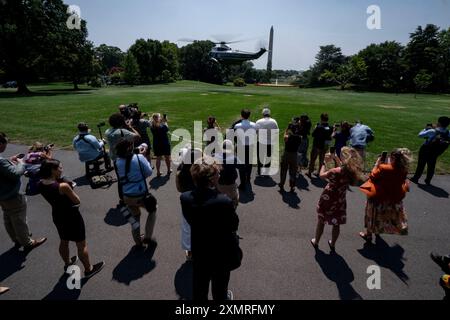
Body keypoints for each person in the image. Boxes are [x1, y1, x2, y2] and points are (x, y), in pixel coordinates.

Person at [180, 158, 239, 301]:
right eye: (217, 173)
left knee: (200, 287)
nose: (219, 175)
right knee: (220, 288)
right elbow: (234, 224)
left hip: (200, 249)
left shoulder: (185, 198)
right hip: (221, 251)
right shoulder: (224, 201)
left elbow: (189, 219)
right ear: (212, 180)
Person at [38, 159, 105, 277]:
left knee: (64, 241)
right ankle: (88, 269)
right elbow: (77, 200)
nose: (61, 170)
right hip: (71, 216)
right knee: (81, 244)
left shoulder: (40, 183)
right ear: (53, 170)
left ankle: (68, 263)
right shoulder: (63, 186)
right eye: (60, 168)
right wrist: (70, 187)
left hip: (57, 215)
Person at [0, 132, 47, 252]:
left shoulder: (2, 161)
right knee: (19, 219)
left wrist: (9, 161)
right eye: (6, 142)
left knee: (8, 217)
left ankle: (16, 238)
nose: (6, 144)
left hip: (2, 195)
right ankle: (27, 242)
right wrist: (21, 163)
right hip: (12, 194)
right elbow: (16, 174)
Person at [311, 147, 364, 251]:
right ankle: (333, 244)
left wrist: (324, 163)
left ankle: (316, 241)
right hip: (340, 199)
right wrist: (336, 159)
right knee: (336, 223)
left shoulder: (335, 171)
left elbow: (322, 175)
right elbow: (342, 168)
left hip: (328, 198)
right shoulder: (351, 171)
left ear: (344, 158)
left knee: (321, 220)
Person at [359, 148, 412, 242]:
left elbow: (372, 176)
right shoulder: (404, 170)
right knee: (382, 217)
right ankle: (378, 231)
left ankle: (368, 235)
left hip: (378, 197)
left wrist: (377, 163)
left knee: (372, 215)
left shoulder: (384, 168)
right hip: (392, 198)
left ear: (393, 158)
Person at [116, 139, 156, 247]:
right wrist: (142, 157)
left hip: (126, 195)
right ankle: (147, 237)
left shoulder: (117, 161)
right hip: (141, 194)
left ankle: (138, 242)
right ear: (130, 148)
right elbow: (149, 172)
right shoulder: (139, 158)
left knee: (135, 218)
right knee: (152, 211)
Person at [105, 113, 140, 204]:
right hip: (125, 158)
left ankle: (122, 198)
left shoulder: (108, 131)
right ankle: (131, 196)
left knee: (120, 178)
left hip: (115, 157)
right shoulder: (122, 132)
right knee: (130, 176)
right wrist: (130, 127)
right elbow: (137, 137)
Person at [176, 146, 203, 261]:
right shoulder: (201, 170)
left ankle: (190, 252)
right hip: (201, 198)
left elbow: (179, 189)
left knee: (187, 227)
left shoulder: (180, 171)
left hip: (187, 200)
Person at [411, 116, 450, 186]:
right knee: (431, 166)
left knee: (421, 164)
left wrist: (426, 128)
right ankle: (428, 180)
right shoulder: (448, 132)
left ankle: (416, 178)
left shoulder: (432, 131)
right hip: (436, 152)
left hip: (426, 149)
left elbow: (420, 135)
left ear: (439, 123)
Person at [233, 109, 257, 190]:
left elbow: (234, 136)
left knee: (241, 165)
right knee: (249, 163)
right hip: (250, 146)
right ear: (249, 115)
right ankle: (248, 177)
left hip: (240, 146)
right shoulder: (254, 125)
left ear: (241, 115)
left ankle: (242, 182)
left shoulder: (237, 126)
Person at [279, 118, 302, 192]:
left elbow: (284, 135)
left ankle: (282, 184)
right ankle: (292, 186)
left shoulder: (287, 137)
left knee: (283, 170)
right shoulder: (299, 138)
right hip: (294, 155)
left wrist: (287, 129)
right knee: (293, 171)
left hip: (287, 154)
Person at [216, 140, 239, 209]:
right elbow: (242, 167)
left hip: (219, 182)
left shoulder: (215, 156)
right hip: (230, 182)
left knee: (219, 199)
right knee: (234, 200)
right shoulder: (234, 158)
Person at [255, 108, 279, 176]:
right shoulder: (274, 121)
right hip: (270, 143)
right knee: (268, 158)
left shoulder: (258, 121)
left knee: (260, 158)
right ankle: (266, 172)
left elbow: (255, 132)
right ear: (269, 114)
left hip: (261, 142)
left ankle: (259, 172)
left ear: (263, 114)